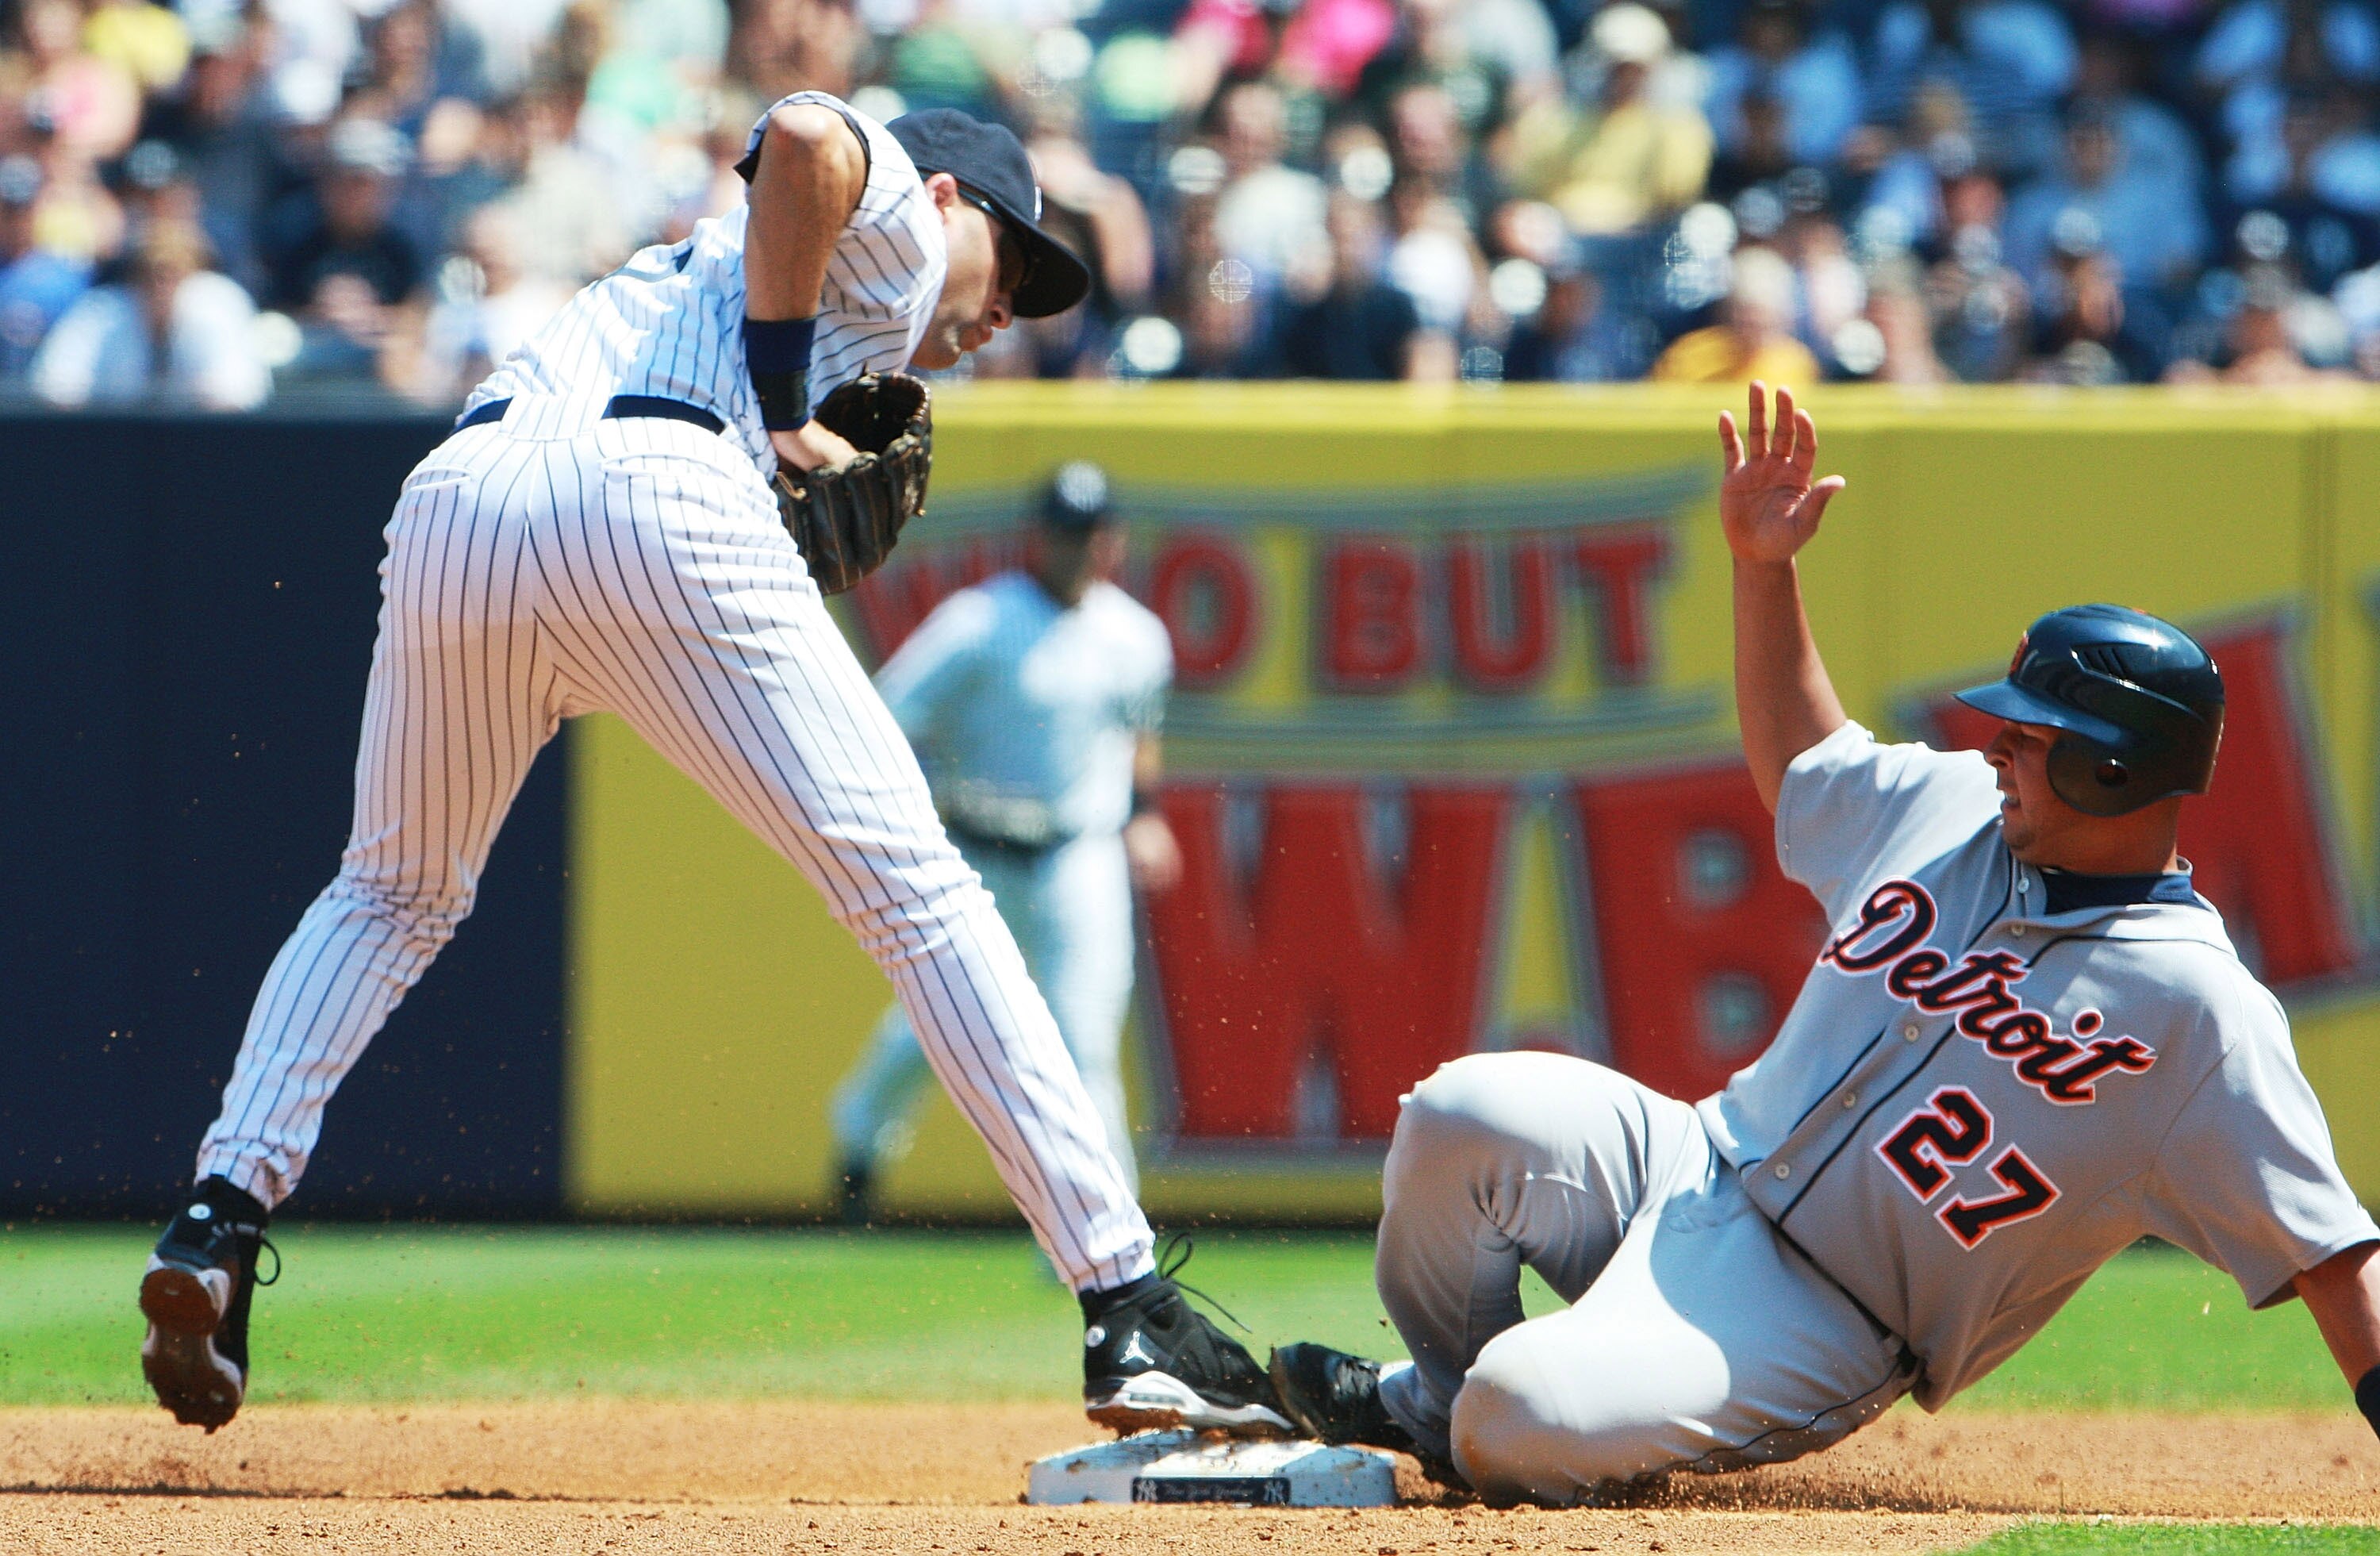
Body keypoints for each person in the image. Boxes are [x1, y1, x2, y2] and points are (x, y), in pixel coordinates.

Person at [136, 95, 1288, 1443]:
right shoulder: (907, 227)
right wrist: (788, 409)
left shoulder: (696, 270)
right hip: (661, 490)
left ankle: (218, 1215)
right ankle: (1125, 1303)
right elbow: (805, 131)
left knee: (390, 892)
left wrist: (781, 396)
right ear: (956, 204)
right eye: (1018, 265)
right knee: (924, 899)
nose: (1007, 314)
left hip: (462, 499)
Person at [1267, 381, 2380, 1504]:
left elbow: (2336, 1259)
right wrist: (1763, 567)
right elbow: (1806, 762)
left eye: (2028, 737)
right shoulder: (1954, 806)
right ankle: (1435, 1406)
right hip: (1693, 1159)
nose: (1994, 748)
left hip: (1821, 1311)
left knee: (1525, 1410)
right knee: (1462, 1113)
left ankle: (1482, 1418)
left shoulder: (2199, 1011)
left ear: (2116, 770)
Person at [829, 461, 1180, 1221]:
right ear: (1038, 536)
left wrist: (1145, 810)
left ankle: (1105, 1228)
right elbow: (890, 717)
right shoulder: (980, 622)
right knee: (938, 1027)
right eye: (1065, 532)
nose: (1078, 548)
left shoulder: (1136, 634)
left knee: (1085, 1039)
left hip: (1077, 855)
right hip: (977, 851)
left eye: (1091, 533)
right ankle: (857, 1142)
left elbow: (1139, 733)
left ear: (1113, 540)